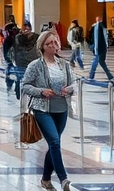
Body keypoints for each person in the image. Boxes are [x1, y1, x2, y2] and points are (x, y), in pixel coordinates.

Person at [21, 29, 77, 191]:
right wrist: (41, 91)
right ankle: (64, 179)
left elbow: (74, 83)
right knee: (54, 141)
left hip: (61, 108)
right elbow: (25, 85)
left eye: (55, 42)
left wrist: (70, 89)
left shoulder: (64, 65)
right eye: (49, 43)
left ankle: (45, 179)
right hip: (42, 109)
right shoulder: (35, 66)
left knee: (55, 143)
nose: (53, 45)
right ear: (43, 47)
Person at [12, 23, 41, 99]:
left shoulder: (18, 38)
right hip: (25, 63)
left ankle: (22, 93)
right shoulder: (36, 37)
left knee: (25, 79)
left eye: (27, 28)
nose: (26, 30)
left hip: (26, 63)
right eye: (25, 28)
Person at [89, 17, 114, 81]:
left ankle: (91, 76)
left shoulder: (99, 26)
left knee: (98, 61)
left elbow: (103, 36)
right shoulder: (96, 27)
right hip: (99, 48)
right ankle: (109, 76)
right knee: (100, 62)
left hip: (99, 48)